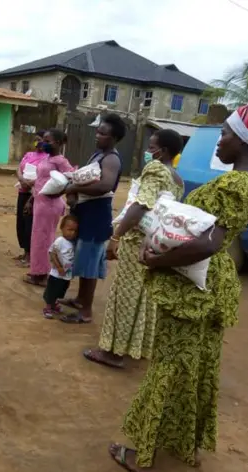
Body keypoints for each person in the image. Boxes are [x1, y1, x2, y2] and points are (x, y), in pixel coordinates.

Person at [109, 103, 248, 472]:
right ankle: (185, 446)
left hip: (195, 288)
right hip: (213, 284)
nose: (218, 141)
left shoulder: (235, 184)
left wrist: (156, 259)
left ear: (242, 142)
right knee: (197, 368)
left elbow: (210, 243)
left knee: (169, 366)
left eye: (225, 134)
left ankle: (142, 457)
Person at [83, 129, 184, 368]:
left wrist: (117, 236)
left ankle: (112, 352)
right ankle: (132, 347)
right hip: (154, 245)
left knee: (125, 295)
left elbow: (141, 205)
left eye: (151, 147)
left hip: (135, 242)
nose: (148, 152)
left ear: (164, 151)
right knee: (143, 296)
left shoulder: (156, 169)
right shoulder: (178, 179)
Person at [59, 114, 126, 323]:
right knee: (84, 257)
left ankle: (85, 311)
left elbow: (105, 185)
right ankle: (80, 299)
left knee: (89, 262)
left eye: (103, 134)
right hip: (86, 212)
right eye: (98, 132)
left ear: (114, 138)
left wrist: (75, 187)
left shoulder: (111, 159)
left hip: (96, 215)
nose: (98, 135)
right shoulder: (98, 155)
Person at [24, 129, 74, 286]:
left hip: (50, 205)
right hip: (40, 202)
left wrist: (59, 192)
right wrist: (31, 200)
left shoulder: (60, 161)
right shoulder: (47, 158)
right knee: (37, 238)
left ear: (58, 143)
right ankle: (37, 270)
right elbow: (40, 180)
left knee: (45, 239)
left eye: (47, 141)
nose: (43, 143)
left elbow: (72, 179)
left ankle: (43, 274)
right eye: (43, 140)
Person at [15, 130, 47, 266]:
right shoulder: (29, 155)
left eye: (41, 139)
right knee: (21, 222)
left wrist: (32, 183)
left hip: (35, 194)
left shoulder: (48, 158)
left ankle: (30, 255)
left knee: (30, 223)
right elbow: (18, 169)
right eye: (36, 139)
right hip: (23, 191)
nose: (38, 142)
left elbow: (45, 175)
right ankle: (24, 251)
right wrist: (21, 179)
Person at [43, 215, 78, 319]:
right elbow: (52, 253)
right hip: (56, 274)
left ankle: (54, 304)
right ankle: (48, 307)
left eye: (75, 231)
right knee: (52, 290)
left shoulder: (73, 242)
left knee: (61, 289)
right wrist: (58, 267)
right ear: (62, 228)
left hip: (66, 273)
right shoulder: (60, 241)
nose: (72, 233)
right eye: (69, 229)